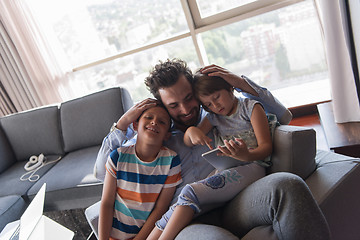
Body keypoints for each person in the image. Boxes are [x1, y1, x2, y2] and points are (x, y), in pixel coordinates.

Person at [95, 59, 330, 239]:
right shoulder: (160, 135)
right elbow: (101, 171)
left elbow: (284, 117)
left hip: (239, 200)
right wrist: (123, 124)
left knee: (288, 185)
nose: (186, 109)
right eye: (174, 106)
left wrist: (239, 84)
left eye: (189, 98)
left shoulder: (219, 113)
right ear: (163, 106)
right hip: (189, 220)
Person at [147, 70, 277, 240]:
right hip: (203, 197)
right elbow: (108, 168)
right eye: (173, 105)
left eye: (188, 98)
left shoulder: (247, 108)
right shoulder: (211, 117)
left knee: (189, 192)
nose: (215, 106)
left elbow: (270, 140)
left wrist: (246, 155)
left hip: (249, 169)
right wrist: (192, 131)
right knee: (181, 200)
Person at [98, 103, 182, 240]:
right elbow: (107, 203)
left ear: (167, 135)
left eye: (162, 122)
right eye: (149, 117)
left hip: (146, 236)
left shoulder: (171, 161)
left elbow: (161, 208)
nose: (154, 122)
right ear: (135, 126)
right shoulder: (117, 157)